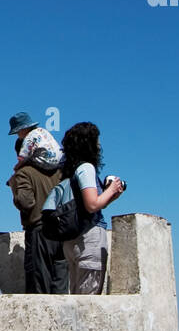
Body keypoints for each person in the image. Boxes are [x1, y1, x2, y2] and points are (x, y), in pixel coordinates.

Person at [42, 121, 125, 295]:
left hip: (73, 241)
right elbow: (92, 204)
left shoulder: (69, 172)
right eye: (96, 140)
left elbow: (86, 206)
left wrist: (111, 196)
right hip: (89, 239)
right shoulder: (86, 168)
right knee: (89, 300)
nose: (99, 145)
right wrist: (110, 189)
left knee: (77, 298)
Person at [8, 136, 68, 294]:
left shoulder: (24, 173)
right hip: (62, 232)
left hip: (40, 231)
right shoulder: (58, 172)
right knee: (60, 285)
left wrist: (14, 184)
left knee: (39, 286)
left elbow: (26, 203)